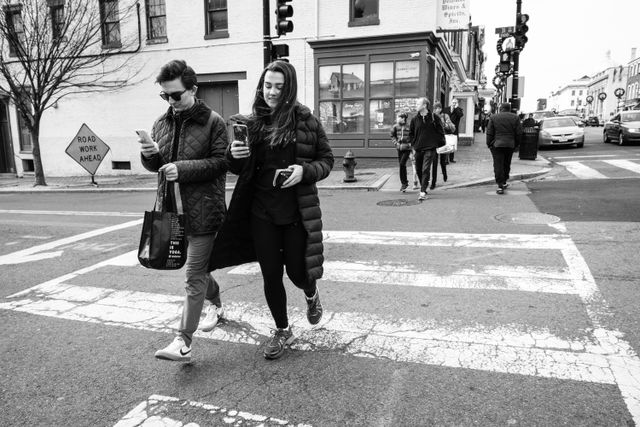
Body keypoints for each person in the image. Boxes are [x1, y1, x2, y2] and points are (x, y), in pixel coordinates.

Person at [209, 60, 334, 360]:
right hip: (260, 212)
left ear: (289, 87)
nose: (272, 92)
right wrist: (233, 155)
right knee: (270, 275)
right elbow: (238, 167)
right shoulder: (252, 124)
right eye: (268, 85)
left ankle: (311, 293)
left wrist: (305, 172)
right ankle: (282, 329)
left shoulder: (306, 121)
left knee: (297, 272)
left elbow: (327, 159)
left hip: (294, 213)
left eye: (279, 86)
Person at [139, 60, 229, 363]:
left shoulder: (214, 121)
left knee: (192, 274)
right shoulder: (160, 123)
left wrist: (183, 169)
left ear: (193, 88)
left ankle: (183, 341)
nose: (171, 101)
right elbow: (157, 167)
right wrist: (148, 155)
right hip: (171, 211)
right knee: (201, 273)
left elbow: (221, 163)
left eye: (175, 95)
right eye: (165, 96)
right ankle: (217, 305)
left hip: (204, 211)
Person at [409, 97, 445, 201]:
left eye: (418, 104)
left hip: (430, 148)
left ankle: (422, 191)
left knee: (425, 169)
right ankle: (424, 186)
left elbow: (440, 131)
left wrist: (435, 143)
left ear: (424, 105)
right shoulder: (414, 119)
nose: (416, 105)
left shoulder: (434, 117)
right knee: (419, 170)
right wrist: (414, 145)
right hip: (418, 148)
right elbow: (411, 134)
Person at [486, 102, 523, 195]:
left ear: (501, 108)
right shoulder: (515, 117)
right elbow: (518, 133)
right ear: (509, 109)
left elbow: (490, 132)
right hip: (510, 144)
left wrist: (489, 143)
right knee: (506, 163)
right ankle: (505, 180)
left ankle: (499, 185)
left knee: (498, 164)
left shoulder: (494, 117)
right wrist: (516, 144)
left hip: (497, 144)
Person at [431, 102, 452, 189]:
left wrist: (445, 124)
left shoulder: (445, 116)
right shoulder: (431, 116)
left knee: (442, 161)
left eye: (439, 108)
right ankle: (433, 182)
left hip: (442, 141)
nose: (438, 109)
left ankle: (444, 173)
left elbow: (452, 127)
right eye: (436, 108)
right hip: (433, 142)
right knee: (434, 162)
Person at [390, 112, 411, 192]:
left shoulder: (409, 126)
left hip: (407, 148)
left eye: (398, 117)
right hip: (399, 148)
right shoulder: (395, 126)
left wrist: (410, 144)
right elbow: (392, 136)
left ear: (403, 118)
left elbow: (413, 136)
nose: (397, 118)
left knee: (402, 163)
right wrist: (396, 143)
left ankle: (404, 183)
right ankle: (404, 183)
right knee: (402, 165)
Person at [447, 98, 464, 163]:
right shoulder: (447, 109)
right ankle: (446, 160)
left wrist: (456, 108)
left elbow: (460, 115)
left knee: (453, 144)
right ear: (451, 102)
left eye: (455, 102)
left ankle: (451, 159)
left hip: (454, 130)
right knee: (447, 143)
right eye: (453, 102)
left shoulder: (459, 110)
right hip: (447, 129)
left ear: (457, 103)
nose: (454, 104)